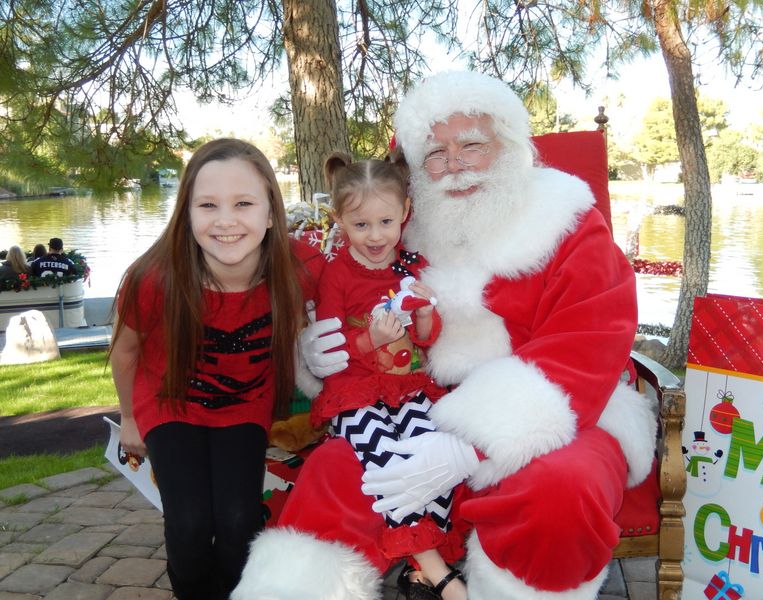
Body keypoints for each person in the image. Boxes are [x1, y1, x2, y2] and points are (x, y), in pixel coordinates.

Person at [234, 71, 656, 600]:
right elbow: (352, 310)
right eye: (435, 153)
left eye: (472, 145)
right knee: (336, 471)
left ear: (511, 145)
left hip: (565, 413)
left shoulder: (569, 223)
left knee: (560, 490)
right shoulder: (394, 229)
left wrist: (469, 443)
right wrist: (319, 357)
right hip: (413, 401)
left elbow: (587, 343)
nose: (453, 165)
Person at [109, 138, 305, 600]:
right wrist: (130, 417)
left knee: (239, 521)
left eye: (243, 203)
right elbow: (125, 352)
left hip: (245, 404)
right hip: (169, 400)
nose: (226, 220)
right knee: (190, 522)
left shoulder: (296, 271)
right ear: (187, 213)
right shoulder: (154, 278)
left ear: (271, 212)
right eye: (208, 205)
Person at [312, 153, 467, 600]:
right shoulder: (337, 273)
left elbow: (425, 339)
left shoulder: (411, 268)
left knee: (432, 454)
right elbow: (331, 346)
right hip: (354, 393)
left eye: (385, 221)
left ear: (404, 213)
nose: (375, 235)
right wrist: (370, 343)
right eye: (360, 225)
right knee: (387, 463)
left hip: (409, 388)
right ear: (339, 219)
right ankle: (439, 572)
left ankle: (418, 569)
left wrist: (425, 311)